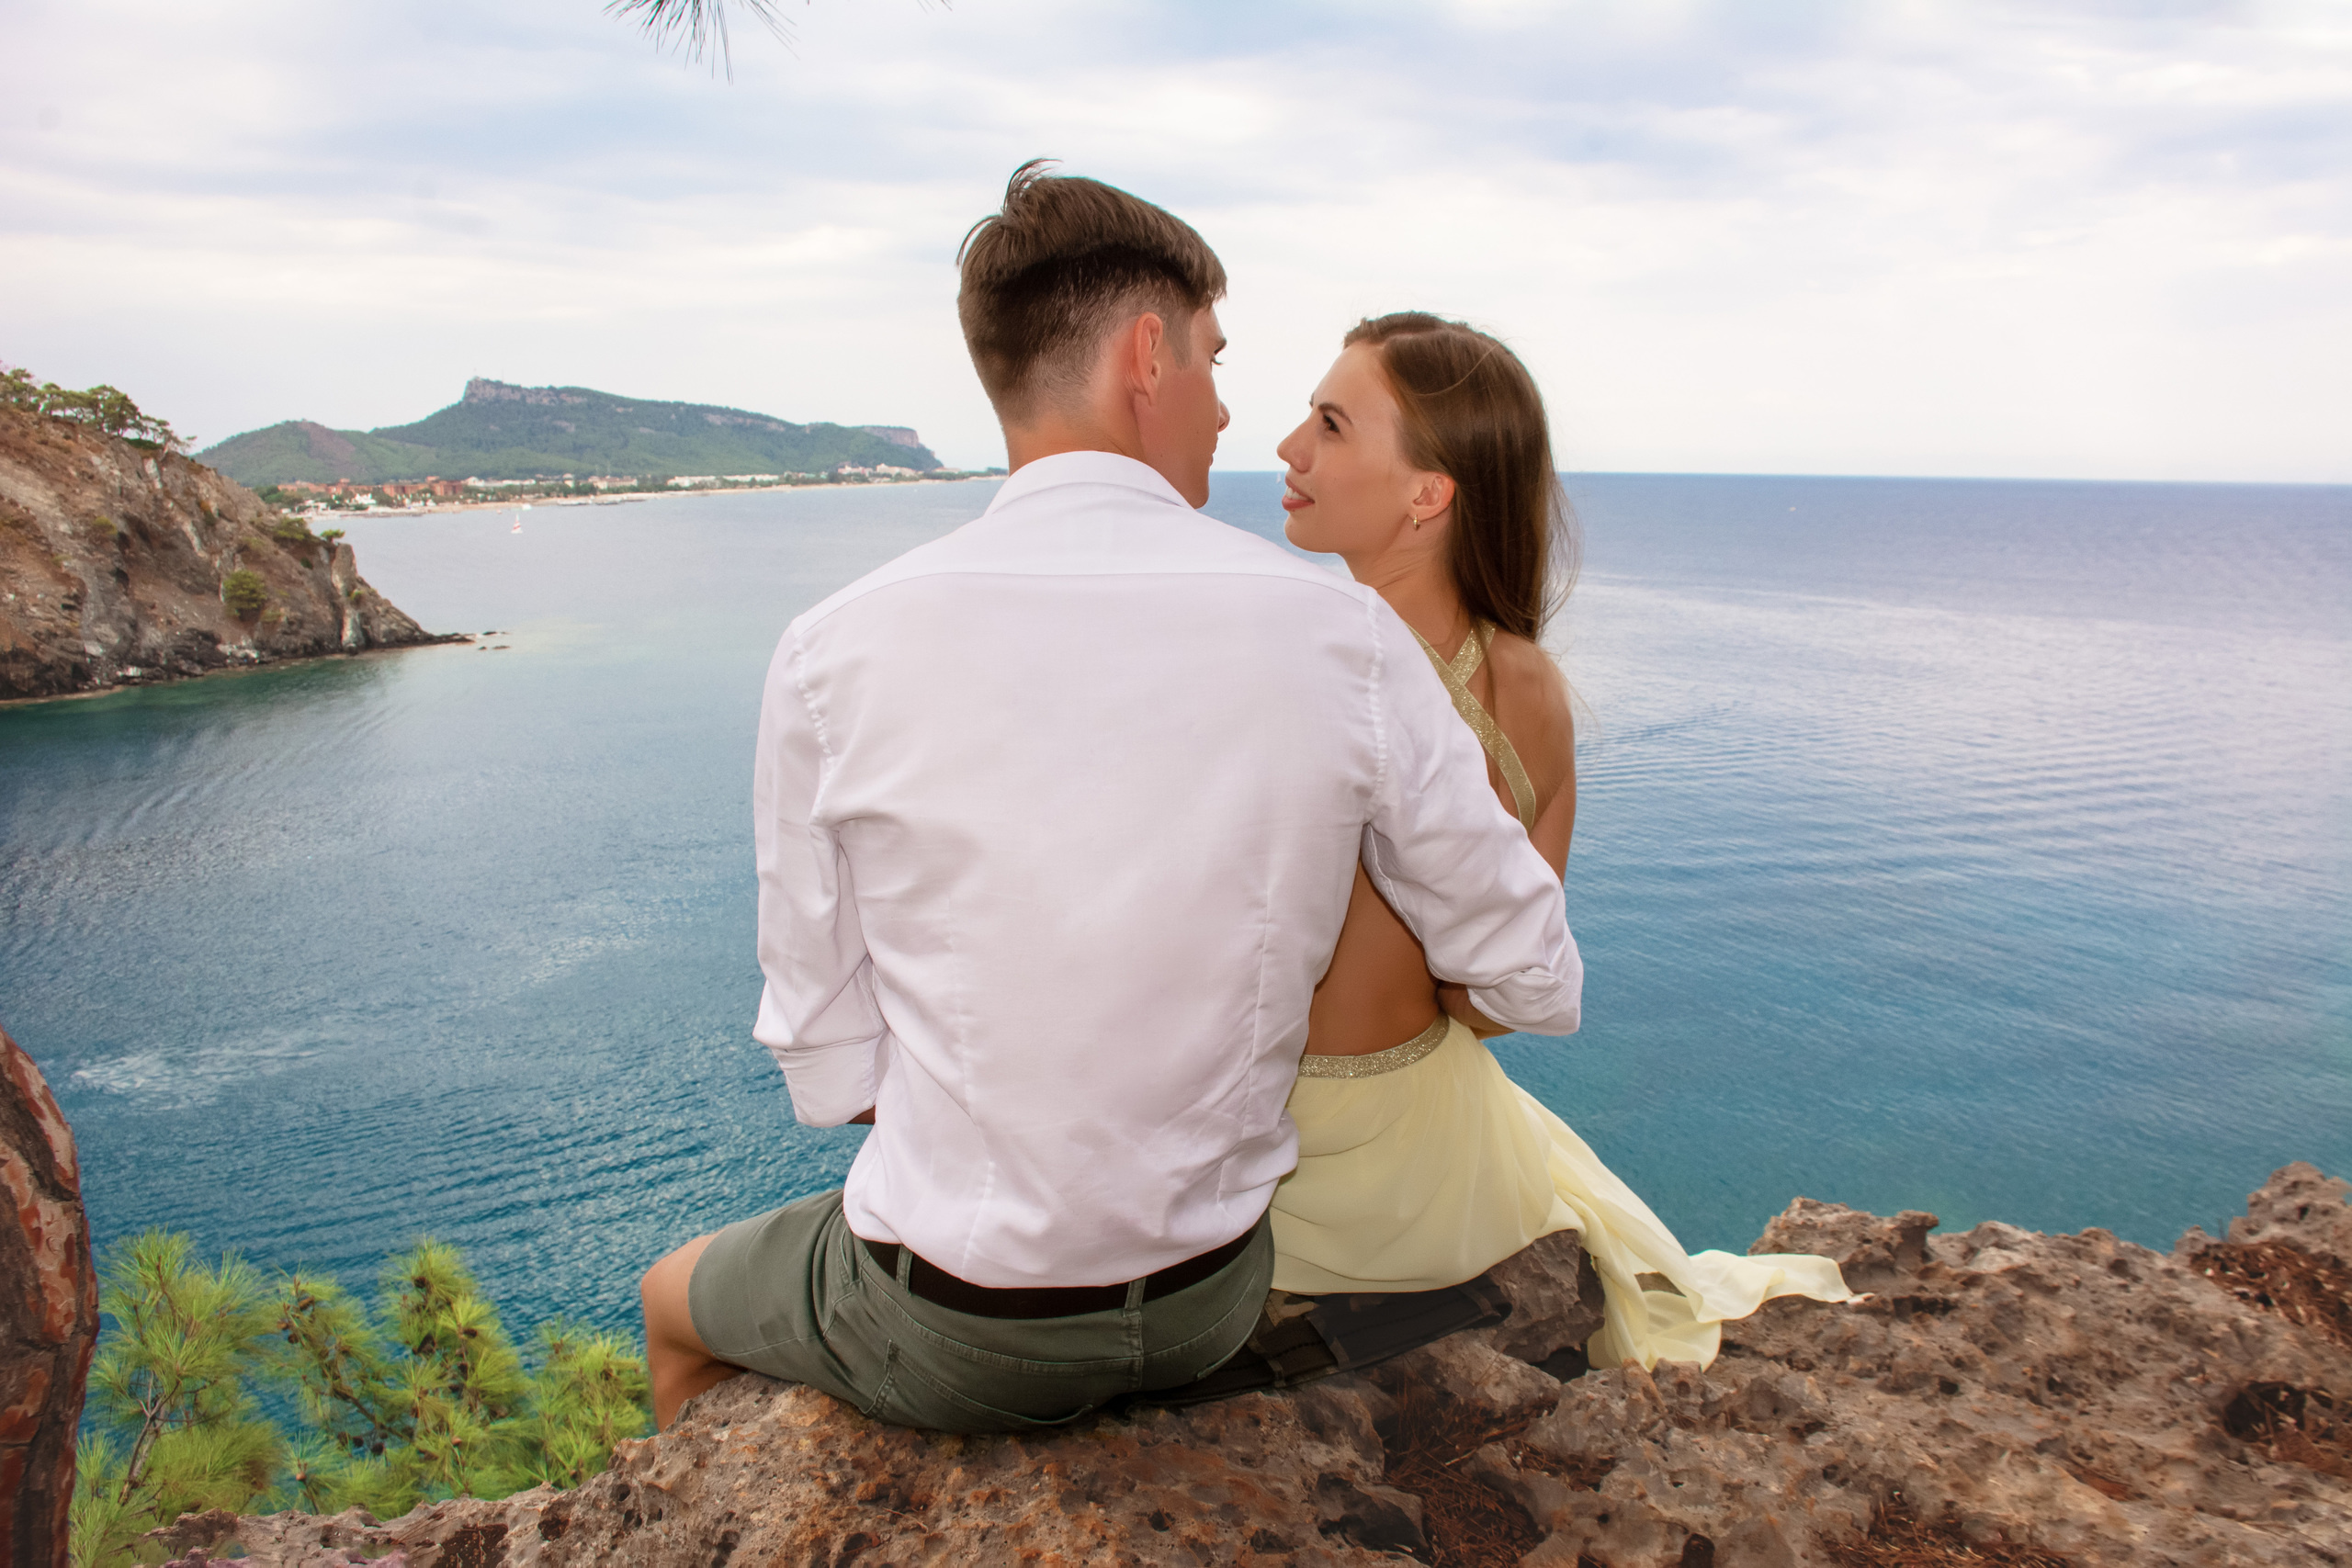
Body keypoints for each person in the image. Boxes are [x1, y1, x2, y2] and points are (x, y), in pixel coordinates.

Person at [637, 169, 1585, 1433]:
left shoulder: (830, 647)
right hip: (1212, 1293)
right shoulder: (1343, 636)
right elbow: (1531, 977)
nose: (1231, 406)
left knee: (667, 1298)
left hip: (963, 1325)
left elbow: (828, 1059)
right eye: (1214, 357)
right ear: (1148, 354)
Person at [1270, 313, 1851, 1371]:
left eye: (1330, 424)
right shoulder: (1532, 688)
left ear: (1426, 493)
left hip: (1275, 1179)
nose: (1289, 447)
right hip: (1443, 1180)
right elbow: (1485, 1006)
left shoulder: (1292, 660)